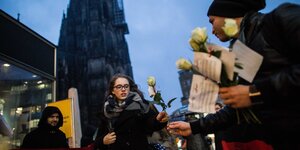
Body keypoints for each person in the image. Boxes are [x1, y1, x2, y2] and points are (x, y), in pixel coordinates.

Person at [169, 0, 300, 149]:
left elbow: (251, 94)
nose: (211, 30)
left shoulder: (278, 19)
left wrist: (255, 93)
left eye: (212, 21)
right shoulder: (241, 50)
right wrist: (193, 127)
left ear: (227, 14)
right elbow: (239, 107)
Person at [94, 73, 168, 150]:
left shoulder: (140, 104)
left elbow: (151, 123)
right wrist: (103, 141)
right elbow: (97, 141)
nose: (123, 89)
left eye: (126, 86)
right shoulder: (107, 109)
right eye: (119, 87)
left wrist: (158, 120)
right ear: (113, 90)